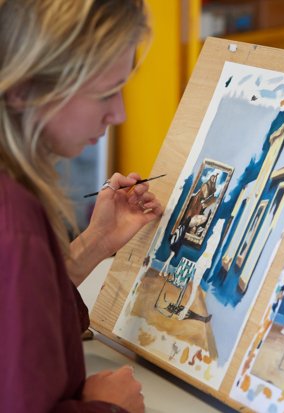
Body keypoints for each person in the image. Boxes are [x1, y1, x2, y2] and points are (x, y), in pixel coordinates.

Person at [0, 1, 163, 412]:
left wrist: (95, 242)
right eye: (105, 93)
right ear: (23, 89)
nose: (119, 113)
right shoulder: (14, 223)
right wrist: (106, 407)